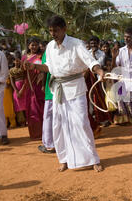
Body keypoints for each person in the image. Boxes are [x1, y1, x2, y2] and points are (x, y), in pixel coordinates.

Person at [24, 16, 104, 173]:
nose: (53, 34)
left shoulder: (76, 44)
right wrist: (33, 66)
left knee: (81, 123)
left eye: (56, 30)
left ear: (64, 29)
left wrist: (99, 71)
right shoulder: (50, 47)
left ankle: (93, 159)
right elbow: (48, 68)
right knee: (60, 126)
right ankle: (64, 159)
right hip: (58, 90)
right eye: (51, 31)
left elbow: (90, 62)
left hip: (75, 89)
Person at [22, 38, 45, 140]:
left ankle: (45, 132)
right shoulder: (24, 57)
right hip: (29, 86)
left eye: (36, 45)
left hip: (40, 85)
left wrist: (42, 77)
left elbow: (45, 68)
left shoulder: (41, 56)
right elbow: (22, 72)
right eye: (32, 45)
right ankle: (36, 133)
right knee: (31, 109)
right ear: (28, 46)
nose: (34, 47)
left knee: (41, 108)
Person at [38, 47, 55, 154]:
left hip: (51, 88)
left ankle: (49, 144)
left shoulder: (49, 50)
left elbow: (44, 69)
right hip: (65, 89)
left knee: (48, 117)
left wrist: (44, 85)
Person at [9, 52, 27, 126]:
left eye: (18, 60)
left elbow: (26, 79)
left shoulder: (24, 68)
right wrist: (16, 91)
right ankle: (21, 121)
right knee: (18, 104)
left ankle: (28, 120)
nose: (17, 62)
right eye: (16, 60)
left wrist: (22, 89)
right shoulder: (11, 70)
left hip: (24, 87)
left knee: (26, 103)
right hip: (16, 87)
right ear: (13, 61)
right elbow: (12, 81)